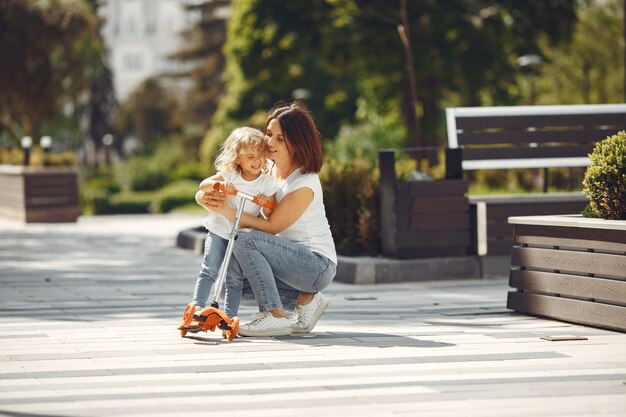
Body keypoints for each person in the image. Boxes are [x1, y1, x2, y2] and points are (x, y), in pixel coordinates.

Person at [199, 101, 337, 337]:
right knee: (230, 281)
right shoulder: (267, 170)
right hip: (286, 260)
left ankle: (274, 315)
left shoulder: (305, 183)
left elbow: (272, 227)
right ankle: (306, 299)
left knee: (243, 239)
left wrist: (229, 214)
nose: (269, 142)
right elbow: (225, 181)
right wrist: (203, 195)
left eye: (280, 139)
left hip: (316, 265)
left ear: (297, 142)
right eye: (268, 134)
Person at [180, 127, 278, 330]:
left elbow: (272, 208)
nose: (256, 160)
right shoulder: (230, 175)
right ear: (237, 158)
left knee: (234, 277)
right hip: (219, 230)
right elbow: (204, 185)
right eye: (250, 156)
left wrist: (265, 201)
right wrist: (221, 186)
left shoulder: (267, 183)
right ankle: (198, 306)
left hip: (242, 236)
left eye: (260, 155)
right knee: (210, 268)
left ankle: (229, 315)